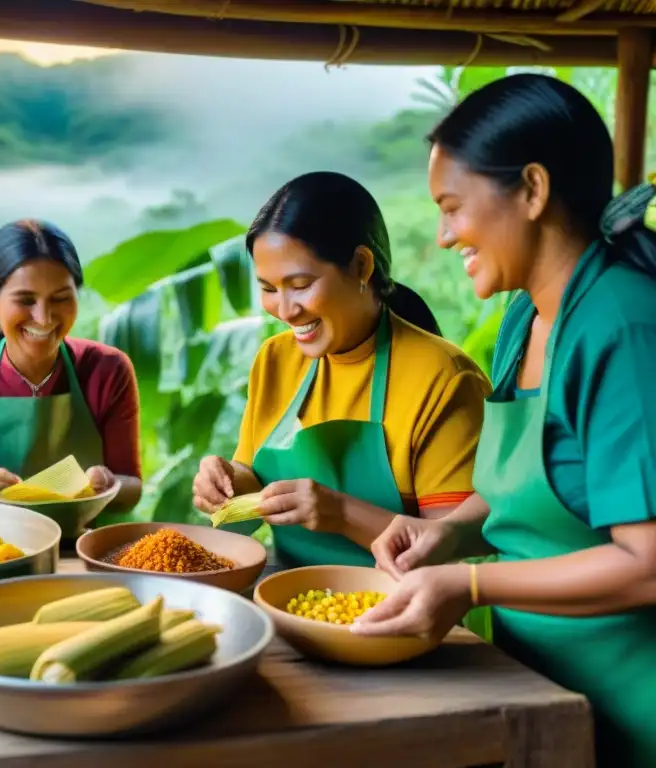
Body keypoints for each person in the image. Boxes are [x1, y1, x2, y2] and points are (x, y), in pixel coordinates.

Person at [350, 74, 656, 768]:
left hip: (634, 711)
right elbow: (529, 482)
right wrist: (447, 533)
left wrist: (472, 583)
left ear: (533, 190)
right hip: (540, 692)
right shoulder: (524, 315)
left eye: (453, 206)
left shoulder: (624, 326)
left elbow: (648, 565)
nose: (442, 233)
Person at [192, 171, 492, 568]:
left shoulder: (444, 378)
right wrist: (228, 486)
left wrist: (341, 514)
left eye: (300, 284)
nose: (284, 310)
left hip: (404, 607)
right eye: (268, 289)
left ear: (361, 266)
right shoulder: (275, 359)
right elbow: (256, 483)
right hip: (290, 595)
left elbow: (449, 544)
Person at [0, 219, 142, 511]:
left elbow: (132, 488)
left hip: (87, 546)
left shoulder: (108, 370)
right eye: (26, 300)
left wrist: (109, 483)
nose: (44, 318)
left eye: (61, 298)